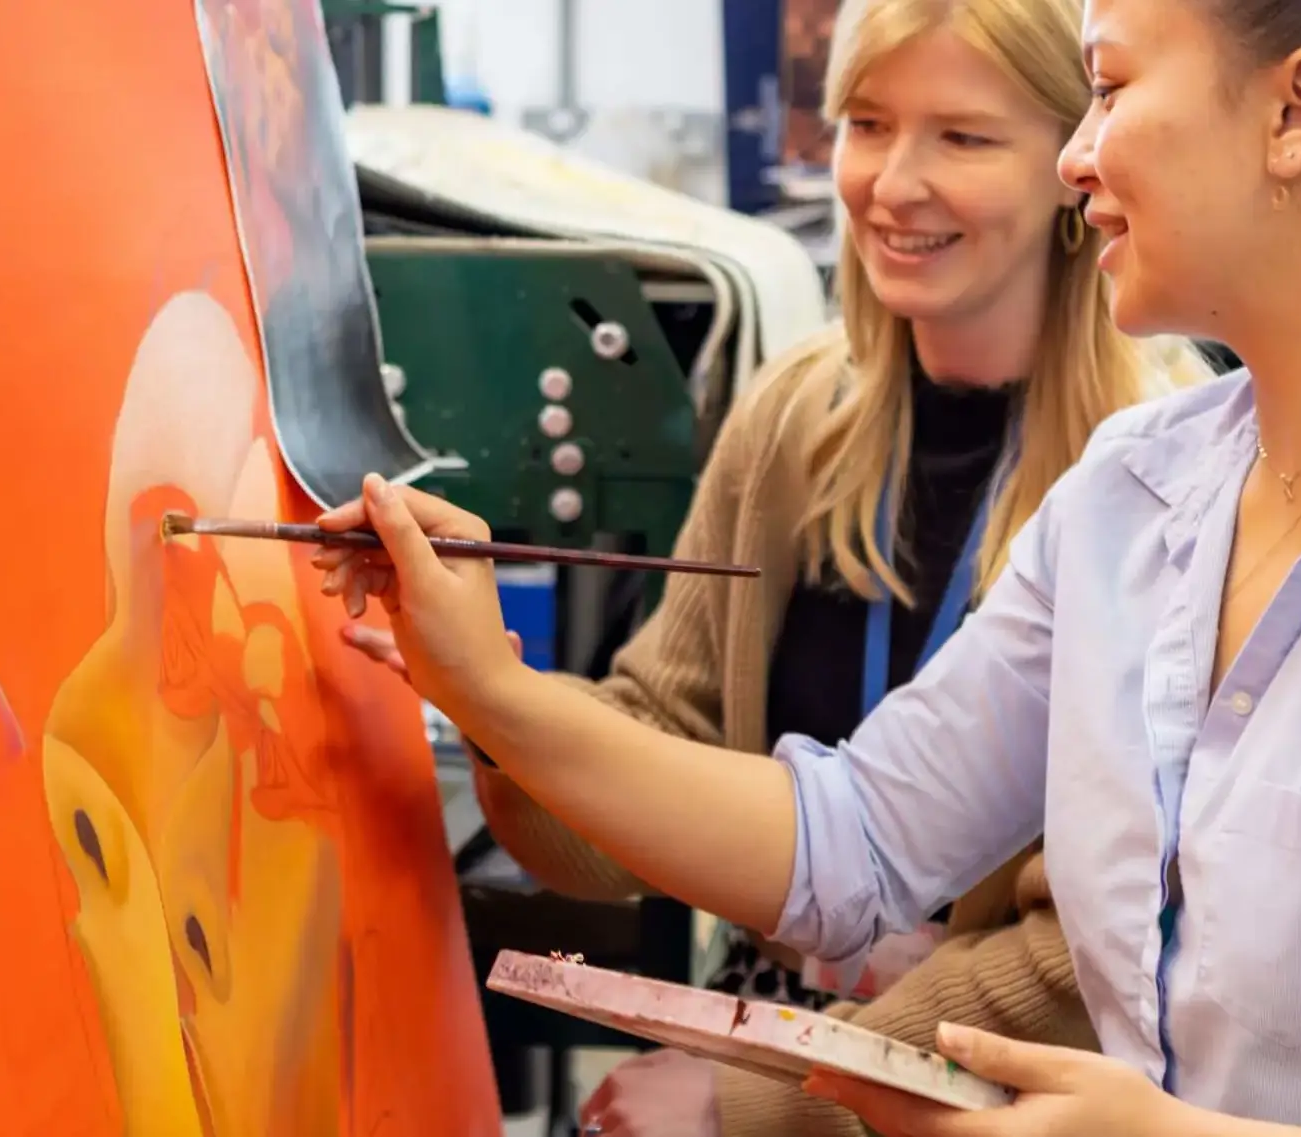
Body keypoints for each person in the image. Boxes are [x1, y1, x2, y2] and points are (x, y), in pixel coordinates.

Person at [318, 0, 1301, 1130]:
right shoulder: (1136, 502)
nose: (1081, 156)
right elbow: (848, 837)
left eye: (1106, 92)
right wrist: (495, 691)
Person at [337, 0, 1202, 1132]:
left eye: (963, 137)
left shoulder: (1163, 471)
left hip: (999, 1100)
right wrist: (494, 704)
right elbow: (655, 760)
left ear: (1072, 162)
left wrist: (771, 1095)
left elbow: (1084, 953)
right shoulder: (796, 420)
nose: (893, 183)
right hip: (791, 1039)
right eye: (866, 123)